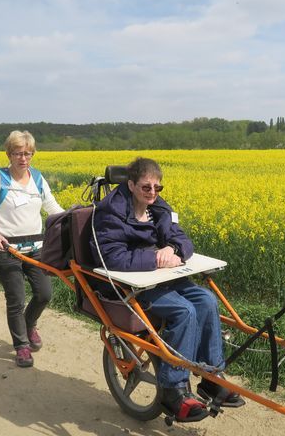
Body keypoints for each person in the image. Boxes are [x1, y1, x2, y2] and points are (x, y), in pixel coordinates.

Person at [91, 157, 244, 422]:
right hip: (131, 283)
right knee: (184, 311)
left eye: (157, 187)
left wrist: (173, 249)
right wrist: (155, 259)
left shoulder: (159, 208)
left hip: (163, 275)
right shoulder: (110, 212)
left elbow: (182, 237)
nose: (152, 192)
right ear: (131, 184)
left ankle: (211, 377)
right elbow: (112, 256)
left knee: (207, 300)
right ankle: (173, 391)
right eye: (145, 187)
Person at [0, 130, 63, 368]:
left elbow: (53, 208)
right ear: (9, 154)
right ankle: (21, 346)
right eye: (18, 153)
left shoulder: (38, 178)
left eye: (28, 154)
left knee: (44, 294)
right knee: (16, 299)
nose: (23, 158)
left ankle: (29, 323)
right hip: (5, 250)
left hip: (35, 249)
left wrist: (73, 219)